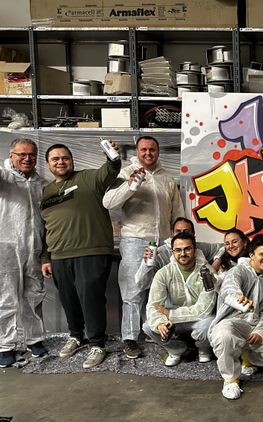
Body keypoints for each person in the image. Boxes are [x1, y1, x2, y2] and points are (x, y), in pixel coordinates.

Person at [40, 142, 121, 369]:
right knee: (68, 299)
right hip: (59, 255)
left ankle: (97, 344)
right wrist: (45, 257)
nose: (60, 162)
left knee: (91, 299)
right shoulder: (46, 192)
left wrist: (112, 157)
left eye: (65, 158)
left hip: (91, 251)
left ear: (72, 160)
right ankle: (76, 335)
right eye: (55, 159)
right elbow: (45, 227)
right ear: (48, 164)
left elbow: (111, 169)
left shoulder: (89, 178)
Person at [102, 136, 184, 360]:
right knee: (133, 290)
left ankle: (154, 329)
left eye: (152, 149)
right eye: (144, 150)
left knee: (160, 289)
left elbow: (177, 211)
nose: (148, 153)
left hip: (164, 241)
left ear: (158, 152)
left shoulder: (167, 178)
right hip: (135, 240)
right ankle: (129, 338)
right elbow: (108, 202)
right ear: (137, 152)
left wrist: (179, 236)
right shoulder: (126, 173)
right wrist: (130, 186)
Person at [209, 234, 263, 400]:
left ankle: (247, 357)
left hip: (256, 324)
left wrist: (261, 332)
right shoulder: (238, 271)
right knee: (223, 335)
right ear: (251, 255)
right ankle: (231, 380)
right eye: (262, 254)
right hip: (234, 322)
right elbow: (228, 289)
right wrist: (237, 298)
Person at [0, 139, 47, 367]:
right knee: (6, 298)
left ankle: (34, 340)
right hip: (6, 248)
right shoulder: (5, 178)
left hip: (33, 248)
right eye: (22, 154)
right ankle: (5, 346)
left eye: (32, 155)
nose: (27, 158)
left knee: (33, 295)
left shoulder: (41, 183)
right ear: (11, 155)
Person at [142, 232, 217, 366]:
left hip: (198, 319)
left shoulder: (207, 272)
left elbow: (204, 310)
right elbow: (154, 305)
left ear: (195, 250)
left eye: (187, 249)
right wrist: (160, 323)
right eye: (178, 250)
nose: (183, 253)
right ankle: (176, 350)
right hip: (175, 321)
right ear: (172, 252)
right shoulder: (163, 273)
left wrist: (170, 314)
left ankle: (204, 350)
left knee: (208, 325)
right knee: (149, 326)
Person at [134, 217, 223, 290]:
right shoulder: (160, 253)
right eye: (178, 231)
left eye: (186, 231)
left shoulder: (201, 248)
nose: (183, 254)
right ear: (172, 233)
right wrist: (146, 265)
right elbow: (142, 284)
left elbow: (225, 247)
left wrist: (216, 263)